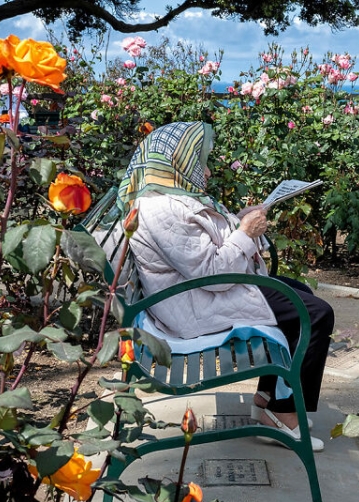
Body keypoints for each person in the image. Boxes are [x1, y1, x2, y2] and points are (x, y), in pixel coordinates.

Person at [117, 121, 334, 451]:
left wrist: (241, 221)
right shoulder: (161, 209)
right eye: (199, 161)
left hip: (197, 295)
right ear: (177, 163)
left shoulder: (167, 197)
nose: (205, 171)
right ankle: (282, 412)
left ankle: (268, 400)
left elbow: (201, 249)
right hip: (197, 306)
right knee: (316, 314)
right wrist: (245, 233)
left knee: (301, 294)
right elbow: (213, 272)